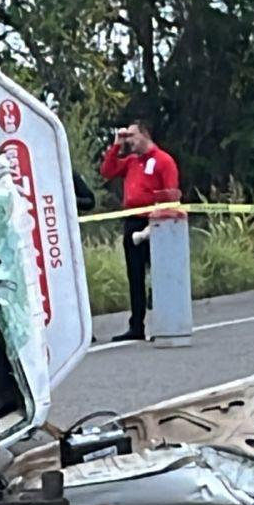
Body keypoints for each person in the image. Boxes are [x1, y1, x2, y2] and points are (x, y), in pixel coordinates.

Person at [99, 119, 180, 341]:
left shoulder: (163, 161)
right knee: (135, 276)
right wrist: (117, 145)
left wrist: (161, 219)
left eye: (132, 136)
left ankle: (166, 322)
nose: (129, 141)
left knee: (160, 275)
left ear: (144, 135)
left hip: (154, 222)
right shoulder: (132, 162)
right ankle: (137, 325)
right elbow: (107, 171)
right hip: (132, 222)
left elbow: (171, 193)